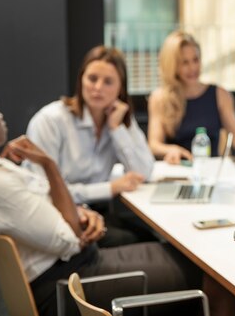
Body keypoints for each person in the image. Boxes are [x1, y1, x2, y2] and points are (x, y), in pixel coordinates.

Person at [0, 83, 204, 316]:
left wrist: (80, 212)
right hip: (66, 280)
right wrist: (49, 165)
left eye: (108, 81)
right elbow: (71, 238)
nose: (0, 115)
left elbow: (49, 204)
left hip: (83, 260)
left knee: (187, 255)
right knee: (208, 274)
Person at [25, 46, 155, 246]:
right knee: (141, 243)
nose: (98, 87)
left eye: (108, 81)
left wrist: (116, 129)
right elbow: (42, 189)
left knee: (155, 239)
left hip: (98, 213)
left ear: (120, 88)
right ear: (81, 80)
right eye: (92, 78)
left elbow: (143, 172)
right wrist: (109, 188)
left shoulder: (118, 119)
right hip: (60, 217)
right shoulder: (51, 120)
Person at [148, 31, 235, 164]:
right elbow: (154, 144)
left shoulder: (220, 95)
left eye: (195, 60)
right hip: (177, 171)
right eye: (185, 62)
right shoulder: (159, 98)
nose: (192, 67)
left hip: (211, 172)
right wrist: (171, 150)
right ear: (173, 66)